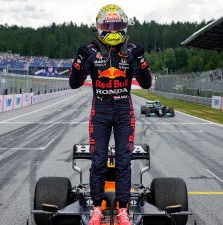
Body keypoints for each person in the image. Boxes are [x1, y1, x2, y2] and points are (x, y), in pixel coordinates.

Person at [69, 4, 152, 225]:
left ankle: (123, 210)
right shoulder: (90, 51)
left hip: (125, 111)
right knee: (98, 161)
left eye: (118, 25)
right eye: (109, 25)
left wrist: (141, 61)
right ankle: (97, 208)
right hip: (101, 111)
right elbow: (73, 83)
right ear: (99, 27)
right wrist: (79, 62)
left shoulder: (133, 50)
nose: (113, 30)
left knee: (124, 161)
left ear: (125, 26)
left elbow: (146, 83)